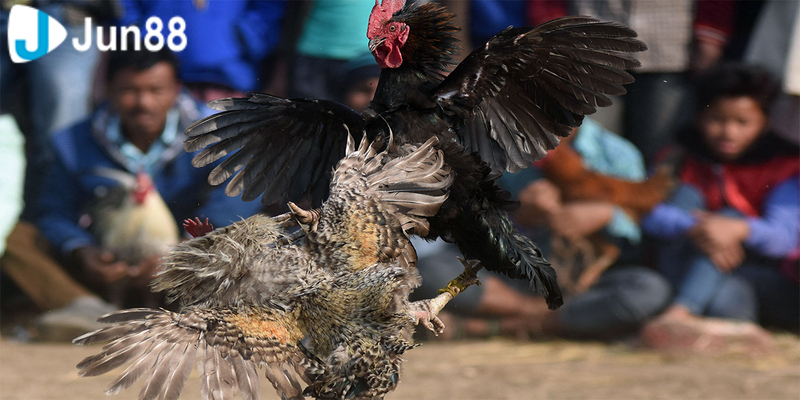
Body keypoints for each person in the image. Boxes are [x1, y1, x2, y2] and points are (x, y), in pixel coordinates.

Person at [0, 43, 263, 340]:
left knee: (253, 243)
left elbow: (233, 206)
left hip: (189, 267)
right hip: (105, 269)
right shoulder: (73, 142)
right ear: (108, 90)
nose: (143, 102)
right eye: (129, 91)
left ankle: (196, 314)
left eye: (156, 90)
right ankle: (85, 309)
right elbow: (53, 211)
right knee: (15, 239)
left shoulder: (219, 135)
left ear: (176, 90)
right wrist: (81, 250)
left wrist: (181, 253)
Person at [412, 118, 673, 341]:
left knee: (648, 290)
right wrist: (520, 218)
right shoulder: (494, 150)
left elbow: (638, 240)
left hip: (588, 282)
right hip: (515, 278)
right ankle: (545, 316)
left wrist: (607, 216)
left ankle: (492, 327)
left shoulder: (618, 153)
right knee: (431, 271)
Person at [641, 64, 798, 351]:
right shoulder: (677, 159)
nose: (728, 132)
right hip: (684, 259)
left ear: (765, 123)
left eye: (742, 122)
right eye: (717, 119)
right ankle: (707, 322)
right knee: (686, 195)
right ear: (699, 118)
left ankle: (680, 312)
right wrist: (699, 228)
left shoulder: (783, 167)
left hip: (753, 270)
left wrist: (738, 228)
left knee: (730, 275)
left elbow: (784, 238)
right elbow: (644, 211)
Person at [119, 0, 286, 102]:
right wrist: (141, 37)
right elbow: (125, 8)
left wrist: (245, 36)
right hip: (160, 84)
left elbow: (268, 8)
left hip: (231, 83)